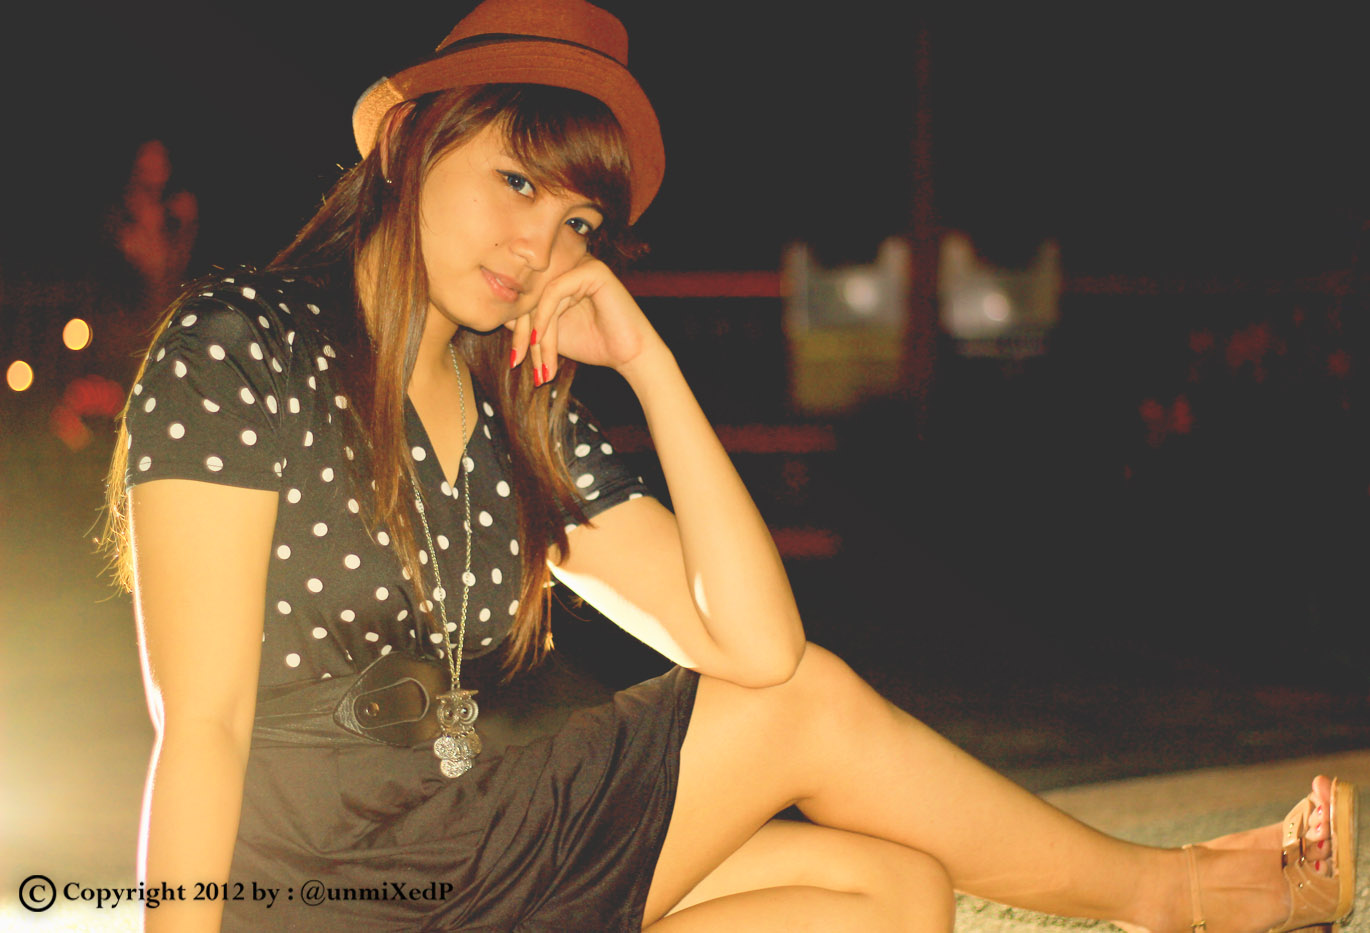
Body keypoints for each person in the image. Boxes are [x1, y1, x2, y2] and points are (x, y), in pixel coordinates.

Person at [102, 1, 1358, 930]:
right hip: (317, 882)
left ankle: (1182, 895)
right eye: (515, 181)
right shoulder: (240, 343)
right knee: (810, 725)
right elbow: (201, 722)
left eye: (576, 221)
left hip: (464, 838)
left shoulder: (514, 416)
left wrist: (651, 367)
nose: (538, 244)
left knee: (891, 896)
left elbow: (755, 648)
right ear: (410, 146)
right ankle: (1175, 896)